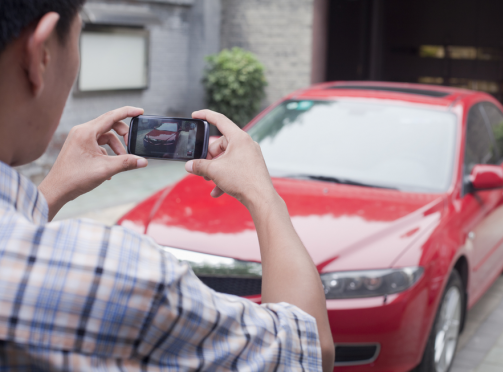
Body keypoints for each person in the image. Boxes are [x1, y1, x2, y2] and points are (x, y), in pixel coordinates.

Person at [0, 1, 335, 370]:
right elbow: (309, 349)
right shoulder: (115, 271)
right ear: (40, 55)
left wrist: (50, 192)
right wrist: (262, 194)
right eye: (79, 38)